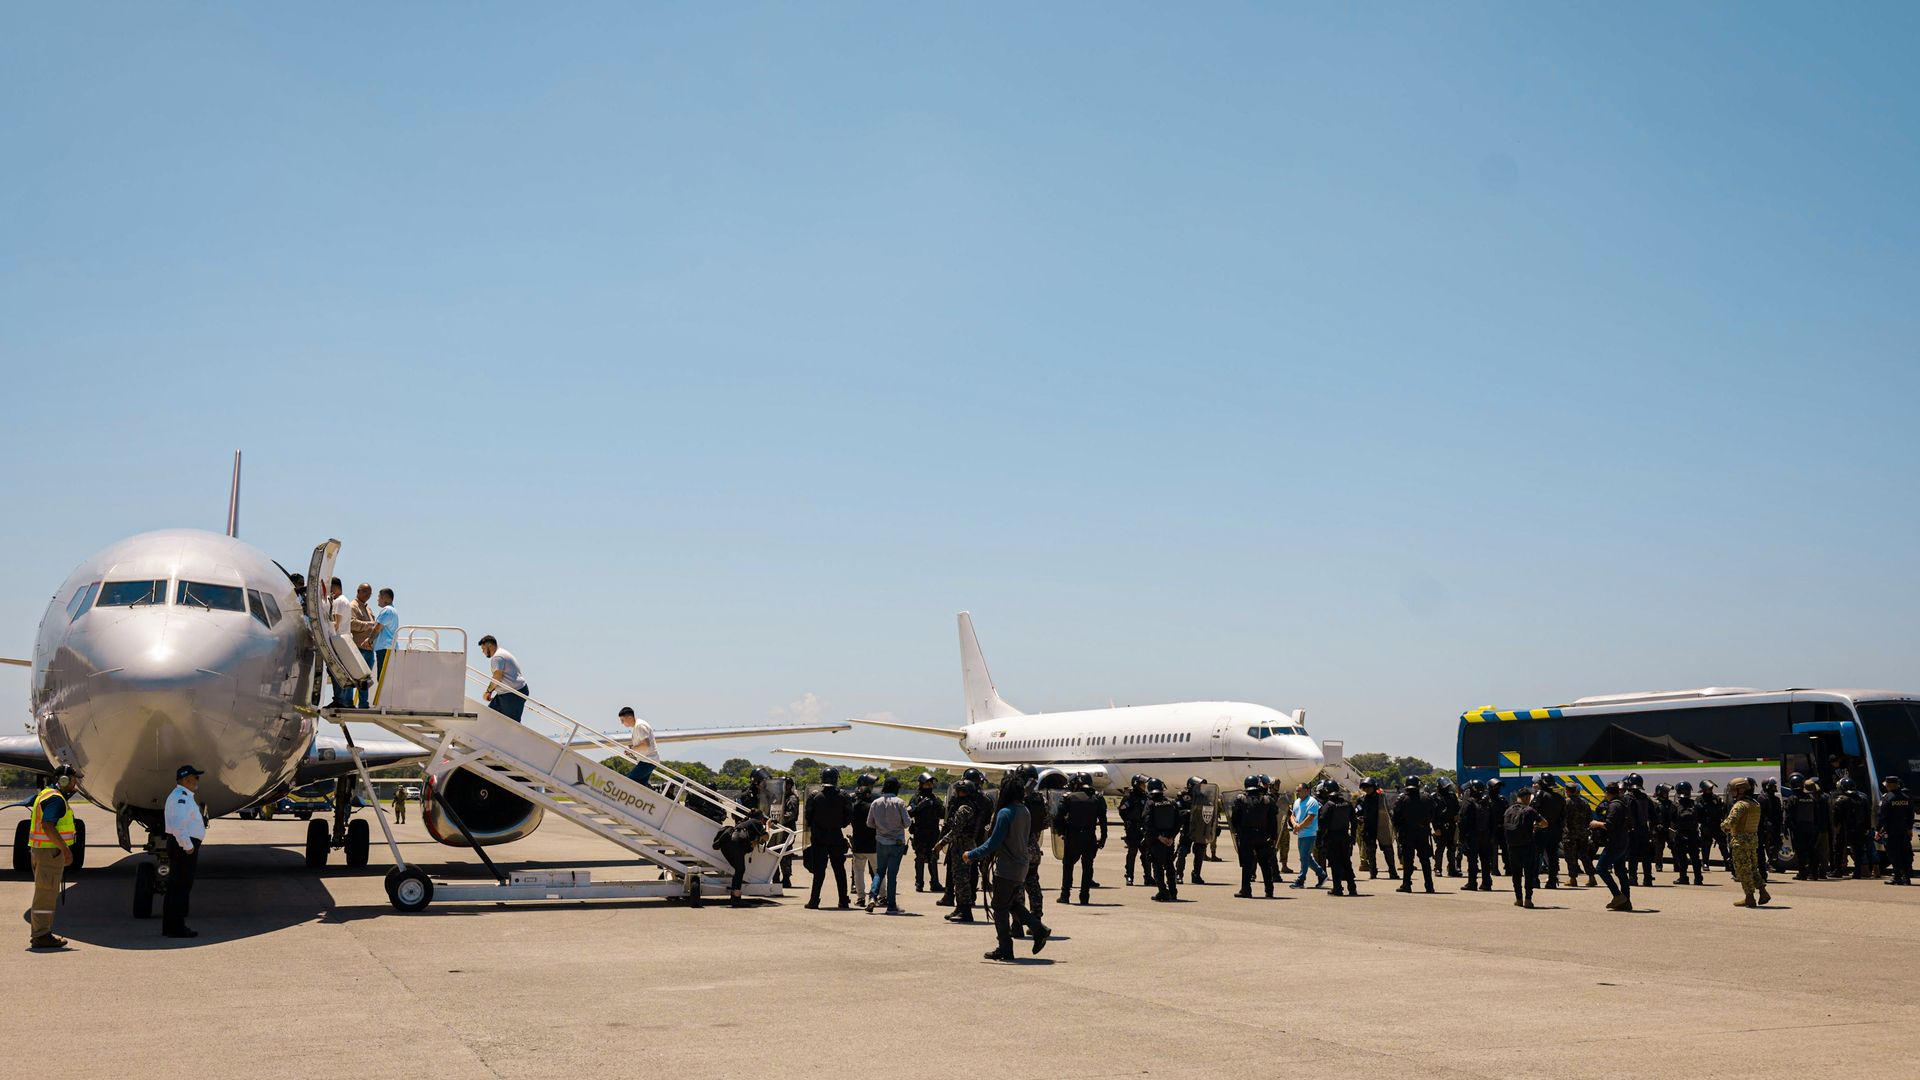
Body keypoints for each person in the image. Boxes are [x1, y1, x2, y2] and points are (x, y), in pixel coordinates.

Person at [966, 774, 1051, 962]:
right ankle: (1038, 929)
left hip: (1007, 868)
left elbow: (993, 843)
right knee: (1011, 903)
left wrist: (971, 854)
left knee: (999, 907)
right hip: (1022, 865)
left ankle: (1005, 947)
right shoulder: (1024, 811)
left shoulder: (1005, 813)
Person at [27, 764, 82, 950]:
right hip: (49, 853)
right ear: (64, 780)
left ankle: (41, 932)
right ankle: (41, 935)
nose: (76, 783)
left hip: (42, 851)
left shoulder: (46, 794)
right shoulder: (56, 799)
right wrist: (65, 849)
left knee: (45, 892)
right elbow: (48, 826)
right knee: (46, 895)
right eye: (74, 779)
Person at [934, 776, 989, 921]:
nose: (959, 794)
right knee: (958, 878)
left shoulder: (964, 808)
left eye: (962, 791)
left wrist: (941, 843)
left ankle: (965, 912)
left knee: (962, 879)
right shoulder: (970, 805)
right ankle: (959, 908)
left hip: (962, 846)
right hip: (962, 845)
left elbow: (956, 830)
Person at [163, 764, 207, 938]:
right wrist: (188, 847)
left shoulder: (183, 796)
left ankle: (171, 926)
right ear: (186, 779)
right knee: (180, 887)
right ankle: (177, 927)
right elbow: (178, 824)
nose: (197, 780)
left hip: (182, 844)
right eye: (196, 777)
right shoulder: (181, 797)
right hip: (183, 846)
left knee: (176, 886)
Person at [803, 768, 852, 910]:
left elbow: (808, 817)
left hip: (819, 837)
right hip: (836, 836)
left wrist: (818, 826)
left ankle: (814, 900)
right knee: (839, 870)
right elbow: (848, 816)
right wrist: (839, 824)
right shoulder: (843, 795)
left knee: (819, 871)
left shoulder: (814, 796)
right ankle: (843, 900)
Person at [1056, 772, 1108, 905]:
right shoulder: (1097, 798)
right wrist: (1103, 838)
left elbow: (1058, 817)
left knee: (1068, 866)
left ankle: (1065, 895)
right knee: (1088, 867)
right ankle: (1084, 897)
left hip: (1073, 836)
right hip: (1090, 836)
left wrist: (1061, 832)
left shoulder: (1068, 797)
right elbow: (1103, 820)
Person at [1230, 774, 1281, 898]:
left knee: (1247, 864)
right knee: (1265, 864)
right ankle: (1269, 890)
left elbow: (1234, 819)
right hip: (1263, 835)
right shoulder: (1268, 800)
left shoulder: (1240, 799)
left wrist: (1238, 831)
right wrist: (1273, 837)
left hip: (1246, 835)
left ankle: (1246, 889)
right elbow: (1273, 820)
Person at [1723, 777, 1771, 908]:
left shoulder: (1739, 805)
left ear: (1741, 790)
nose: (1732, 793)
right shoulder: (1755, 804)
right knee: (1752, 868)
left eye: (1734, 790)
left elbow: (1730, 822)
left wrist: (1723, 826)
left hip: (1740, 842)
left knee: (1743, 870)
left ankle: (1749, 897)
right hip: (1752, 840)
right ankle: (1763, 891)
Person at [866, 777, 911, 914]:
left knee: (879, 872)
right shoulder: (899, 802)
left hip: (881, 841)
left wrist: (881, 827)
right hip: (896, 842)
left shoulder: (876, 802)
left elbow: (869, 823)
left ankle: (872, 896)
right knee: (892, 875)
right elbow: (907, 823)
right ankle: (891, 905)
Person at [1591, 781, 1635, 912]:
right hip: (1623, 841)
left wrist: (1596, 823)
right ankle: (1626, 901)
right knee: (1620, 871)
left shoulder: (1614, 806)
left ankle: (1617, 895)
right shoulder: (1624, 804)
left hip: (1614, 842)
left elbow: (1609, 825)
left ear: (1608, 793)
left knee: (1600, 868)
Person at [713, 809, 768, 907]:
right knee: (740, 869)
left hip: (726, 845)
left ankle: (734, 896)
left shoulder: (745, 822)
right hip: (735, 844)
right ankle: (736, 899)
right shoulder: (756, 822)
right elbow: (766, 837)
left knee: (739, 870)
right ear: (760, 817)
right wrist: (768, 825)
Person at [1502, 788, 1546, 907]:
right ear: (1526, 797)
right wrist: (1536, 825)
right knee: (1528, 873)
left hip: (1512, 846)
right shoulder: (1529, 810)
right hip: (1527, 846)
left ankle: (1518, 898)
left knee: (1516, 874)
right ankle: (1528, 899)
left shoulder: (1508, 810)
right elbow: (1544, 823)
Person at [1391, 777, 1435, 893]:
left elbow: (1395, 817)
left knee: (1408, 860)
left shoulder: (1402, 798)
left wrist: (1400, 828)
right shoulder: (1427, 798)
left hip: (1407, 833)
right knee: (1425, 860)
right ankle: (1429, 885)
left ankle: (1406, 884)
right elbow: (1433, 813)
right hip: (1422, 832)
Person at [1145, 778, 1185, 901]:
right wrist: (1171, 837)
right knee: (1169, 866)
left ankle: (1163, 891)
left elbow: (1147, 823)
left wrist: (1159, 837)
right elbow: (1178, 822)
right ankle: (1173, 892)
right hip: (1169, 840)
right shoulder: (1172, 803)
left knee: (1157, 867)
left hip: (1157, 841)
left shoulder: (1150, 803)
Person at [1317, 780, 1358, 897]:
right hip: (1345, 837)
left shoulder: (1328, 805)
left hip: (1332, 838)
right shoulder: (1347, 804)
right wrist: (1353, 836)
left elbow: (1322, 824)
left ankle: (1337, 888)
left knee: (1335, 863)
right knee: (1346, 863)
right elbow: (1354, 822)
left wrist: (1319, 840)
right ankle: (1352, 888)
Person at [907, 773, 946, 893]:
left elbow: (943, 814)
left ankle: (935, 883)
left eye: (931, 784)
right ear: (921, 785)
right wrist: (920, 806)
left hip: (933, 832)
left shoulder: (935, 798)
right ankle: (919, 883)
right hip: (920, 832)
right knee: (920, 858)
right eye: (927, 784)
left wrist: (939, 806)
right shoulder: (915, 798)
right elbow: (910, 812)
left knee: (933, 858)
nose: (930, 786)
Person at [476, 633, 527, 722]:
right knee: (490, 717)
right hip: (505, 693)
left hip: (513, 693)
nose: (482, 651)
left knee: (512, 725)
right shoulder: (502, 653)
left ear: (490, 646)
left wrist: (488, 692)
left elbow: (497, 677)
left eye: (483, 649)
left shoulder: (497, 657)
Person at [848, 773, 879, 906]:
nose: (872, 787)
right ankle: (879, 894)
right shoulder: (871, 803)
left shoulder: (854, 804)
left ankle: (861, 896)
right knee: (877, 869)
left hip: (859, 841)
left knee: (858, 870)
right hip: (872, 841)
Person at [1459, 780, 1496, 891]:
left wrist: (1462, 838)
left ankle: (1472, 882)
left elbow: (1462, 821)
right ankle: (1486, 883)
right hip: (1485, 836)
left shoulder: (1469, 803)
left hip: (1472, 836)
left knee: (1472, 861)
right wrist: (1491, 835)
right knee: (1485, 861)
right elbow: (1493, 821)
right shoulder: (1488, 803)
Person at [1288, 782, 1326, 890]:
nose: (1297, 792)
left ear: (1307, 790)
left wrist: (1299, 826)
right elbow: (1293, 815)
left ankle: (1301, 880)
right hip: (1301, 833)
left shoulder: (1312, 802)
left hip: (1309, 833)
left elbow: (1310, 817)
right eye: (1297, 790)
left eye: (1299, 790)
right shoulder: (1297, 802)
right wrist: (1295, 824)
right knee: (1307, 857)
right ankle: (1322, 875)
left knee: (1304, 857)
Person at [1532, 775, 1568, 888]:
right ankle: (1552, 880)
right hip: (1555, 830)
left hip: (1541, 829)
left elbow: (1533, 811)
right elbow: (1563, 816)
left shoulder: (1540, 794)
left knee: (1537, 855)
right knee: (1553, 856)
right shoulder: (1560, 797)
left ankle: (1534, 880)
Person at [1790, 777, 1829, 880]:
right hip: (1812, 828)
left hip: (1799, 829)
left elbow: (1790, 816)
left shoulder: (1794, 798)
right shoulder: (1813, 799)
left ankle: (1803, 874)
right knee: (1812, 851)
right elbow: (1817, 814)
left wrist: (1790, 828)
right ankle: (1814, 873)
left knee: (1801, 852)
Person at [1878, 775, 1913, 886]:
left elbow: (1882, 816)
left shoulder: (1887, 798)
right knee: (1905, 853)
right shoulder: (1906, 797)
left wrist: (1879, 830)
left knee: (1894, 854)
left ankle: (1897, 877)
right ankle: (1906, 878)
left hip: (1891, 832)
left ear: (1890, 785)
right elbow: (1910, 815)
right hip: (1904, 831)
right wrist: (1909, 828)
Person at [1117, 774, 1152, 887]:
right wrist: (1128, 822)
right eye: (1142, 784)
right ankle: (1129, 876)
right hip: (1133, 828)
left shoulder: (1146, 796)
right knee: (1132, 852)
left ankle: (1148, 877)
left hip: (1144, 828)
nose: (1144, 786)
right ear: (1137, 784)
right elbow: (1122, 811)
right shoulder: (1129, 797)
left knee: (1146, 853)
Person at [1175, 777, 1209, 885]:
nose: (1200, 788)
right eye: (1198, 786)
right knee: (1182, 852)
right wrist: (1191, 812)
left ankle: (1196, 875)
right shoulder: (1183, 796)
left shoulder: (1203, 798)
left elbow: (1209, 811)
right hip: (1187, 828)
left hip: (1200, 829)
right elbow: (1178, 811)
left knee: (1200, 853)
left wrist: (1213, 826)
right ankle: (1179, 874)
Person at [348, 583, 378, 707]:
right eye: (365, 592)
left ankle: (363, 703)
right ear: (358, 591)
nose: (368, 595)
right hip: (358, 648)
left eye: (369, 593)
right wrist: (369, 624)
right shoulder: (352, 606)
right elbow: (351, 623)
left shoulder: (368, 608)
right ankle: (348, 702)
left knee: (365, 678)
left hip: (368, 648)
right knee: (353, 677)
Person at [325, 578, 353, 707]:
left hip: (338, 641)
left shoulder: (338, 601)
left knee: (336, 671)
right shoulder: (345, 601)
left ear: (334, 588)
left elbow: (336, 624)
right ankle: (344, 700)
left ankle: (339, 700)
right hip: (345, 640)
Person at [1670, 782, 1703, 885]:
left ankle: (1683, 877)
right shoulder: (1695, 804)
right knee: (1695, 858)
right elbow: (1701, 818)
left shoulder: (1676, 805)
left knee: (1681, 858)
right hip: (1693, 834)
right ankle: (1698, 878)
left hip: (1680, 835)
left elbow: (1672, 819)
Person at [617, 707, 658, 786]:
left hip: (648, 761)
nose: (622, 723)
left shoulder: (640, 726)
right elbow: (643, 744)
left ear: (629, 718)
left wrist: (632, 749)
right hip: (648, 761)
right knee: (640, 786)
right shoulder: (638, 726)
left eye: (622, 720)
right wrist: (632, 750)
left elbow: (646, 745)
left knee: (628, 783)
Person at [1429, 778, 1460, 878]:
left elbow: (1457, 809)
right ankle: (1437, 868)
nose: (1447, 788)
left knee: (1451, 848)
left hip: (1451, 825)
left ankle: (1452, 869)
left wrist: (1456, 816)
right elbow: (1432, 814)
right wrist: (1435, 828)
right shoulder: (1434, 797)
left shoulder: (1452, 796)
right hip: (1440, 826)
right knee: (1440, 849)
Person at [1694, 780, 1726, 872]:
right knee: (1706, 845)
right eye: (1708, 788)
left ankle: (1728, 862)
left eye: (1711, 788)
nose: (1710, 789)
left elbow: (1722, 810)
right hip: (1706, 825)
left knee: (1723, 844)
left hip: (1717, 824)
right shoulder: (1699, 799)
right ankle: (1705, 863)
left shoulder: (1716, 798)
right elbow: (1697, 813)